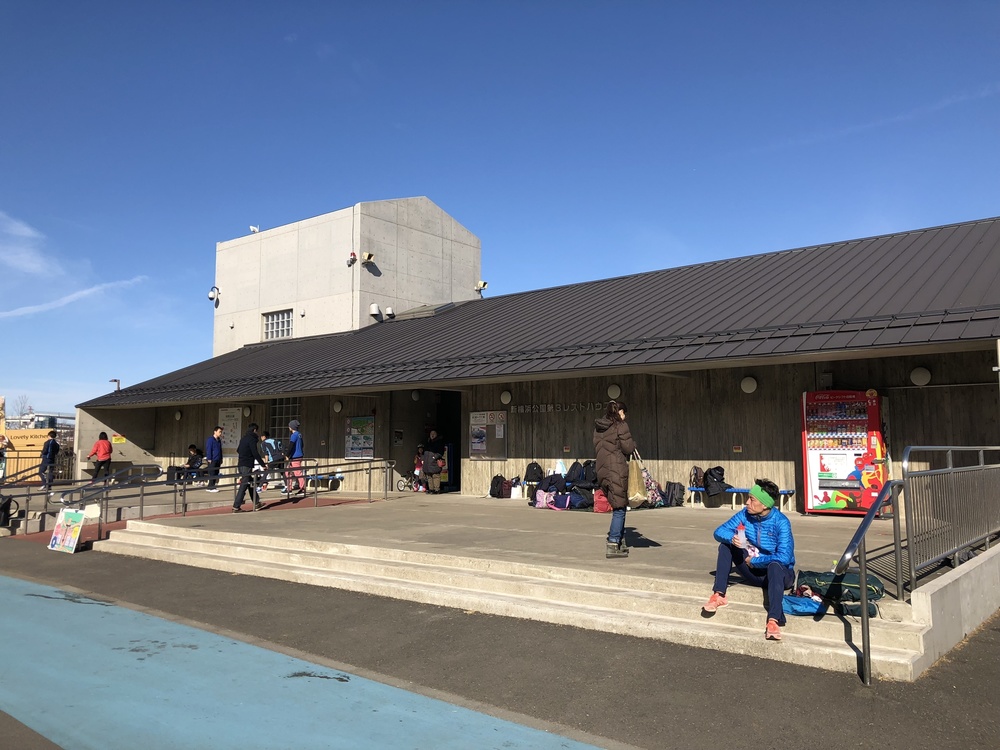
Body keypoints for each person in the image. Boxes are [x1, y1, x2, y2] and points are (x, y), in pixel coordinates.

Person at [702, 478, 796, 641]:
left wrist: (755, 561)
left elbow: (784, 558)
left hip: (779, 576)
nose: (747, 502)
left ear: (765, 505)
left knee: (775, 564)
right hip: (753, 571)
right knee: (725, 546)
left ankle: (774, 620)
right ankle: (719, 594)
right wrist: (732, 538)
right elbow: (718, 531)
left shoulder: (781, 522)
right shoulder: (745, 515)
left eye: (752, 499)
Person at [593, 400, 636, 559]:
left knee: (618, 504)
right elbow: (628, 448)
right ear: (620, 412)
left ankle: (620, 541)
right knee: (619, 508)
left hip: (602, 470)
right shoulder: (620, 426)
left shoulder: (598, 428)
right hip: (616, 469)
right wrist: (633, 443)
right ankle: (613, 542)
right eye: (624, 413)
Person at [232, 423, 265, 513]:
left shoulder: (243, 438)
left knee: (250, 483)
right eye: (257, 431)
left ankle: (257, 502)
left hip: (241, 463)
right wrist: (263, 464)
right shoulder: (252, 439)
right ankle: (236, 506)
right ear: (254, 430)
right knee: (244, 485)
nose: (257, 433)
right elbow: (255, 453)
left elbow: (238, 450)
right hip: (247, 464)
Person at [282, 420, 305, 497]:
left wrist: (287, 455)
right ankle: (289, 488)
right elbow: (302, 445)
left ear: (291, 427)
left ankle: (302, 488)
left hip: (295, 456)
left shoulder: (294, 435)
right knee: (288, 472)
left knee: (297, 472)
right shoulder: (299, 435)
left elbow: (291, 446)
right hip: (298, 455)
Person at [205, 426, 223, 492]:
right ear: (215, 432)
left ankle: (212, 486)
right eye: (219, 432)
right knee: (212, 473)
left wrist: (221, 458)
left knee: (216, 472)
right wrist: (209, 458)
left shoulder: (219, 440)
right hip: (212, 459)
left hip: (218, 459)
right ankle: (210, 487)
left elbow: (220, 450)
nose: (220, 433)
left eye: (221, 432)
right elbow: (209, 449)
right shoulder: (210, 440)